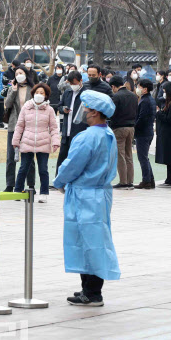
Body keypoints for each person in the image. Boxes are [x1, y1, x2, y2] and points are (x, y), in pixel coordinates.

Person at [53, 90, 120, 306]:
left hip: (85, 194)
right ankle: (90, 289)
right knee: (96, 239)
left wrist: (59, 181)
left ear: (94, 112)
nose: (83, 112)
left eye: (86, 108)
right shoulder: (107, 134)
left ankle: (91, 292)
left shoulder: (88, 136)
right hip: (100, 193)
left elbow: (73, 164)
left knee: (86, 241)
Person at [12, 83, 60, 203]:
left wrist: (55, 141)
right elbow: (19, 125)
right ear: (33, 94)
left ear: (46, 95)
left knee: (43, 169)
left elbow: (54, 127)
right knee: (23, 168)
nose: (39, 95)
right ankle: (18, 191)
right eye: (37, 92)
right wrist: (15, 140)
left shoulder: (49, 110)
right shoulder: (26, 107)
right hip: (27, 141)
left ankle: (43, 193)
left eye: (42, 93)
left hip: (43, 142)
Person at [4, 66, 36, 192]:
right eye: (16, 73)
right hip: (14, 124)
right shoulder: (13, 88)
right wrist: (13, 90)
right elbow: (7, 104)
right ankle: (10, 184)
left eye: (21, 73)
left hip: (29, 126)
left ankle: (31, 184)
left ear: (26, 74)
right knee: (10, 156)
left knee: (28, 156)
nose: (18, 75)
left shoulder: (33, 89)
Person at [56, 71, 87, 175]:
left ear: (80, 81)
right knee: (62, 156)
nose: (73, 86)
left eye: (74, 83)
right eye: (71, 84)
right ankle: (58, 179)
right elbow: (59, 106)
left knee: (77, 158)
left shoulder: (86, 93)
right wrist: (63, 109)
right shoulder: (67, 92)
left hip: (79, 131)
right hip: (66, 130)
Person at [109, 76, 137, 189]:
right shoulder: (133, 95)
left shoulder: (116, 97)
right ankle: (130, 180)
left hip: (119, 127)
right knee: (129, 154)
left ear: (113, 86)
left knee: (120, 155)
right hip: (131, 127)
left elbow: (112, 112)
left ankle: (123, 181)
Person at [134, 79, 156, 189]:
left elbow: (141, 118)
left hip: (143, 132)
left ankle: (146, 180)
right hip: (148, 131)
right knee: (145, 157)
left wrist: (135, 128)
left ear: (145, 89)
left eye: (139, 87)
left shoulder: (144, 101)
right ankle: (150, 179)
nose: (138, 89)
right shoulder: (150, 100)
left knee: (142, 158)